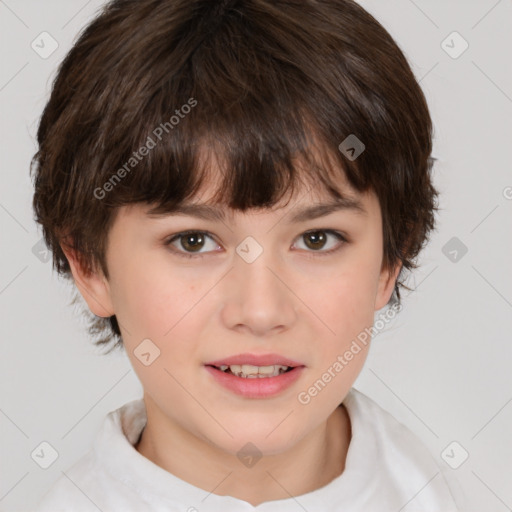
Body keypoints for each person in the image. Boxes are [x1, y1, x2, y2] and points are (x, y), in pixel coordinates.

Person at [30, 0, 465, 510]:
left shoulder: (429, 489)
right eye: (193, 241)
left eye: (317, 239)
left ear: (389, 261)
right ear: (89, 264)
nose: (260, 312)